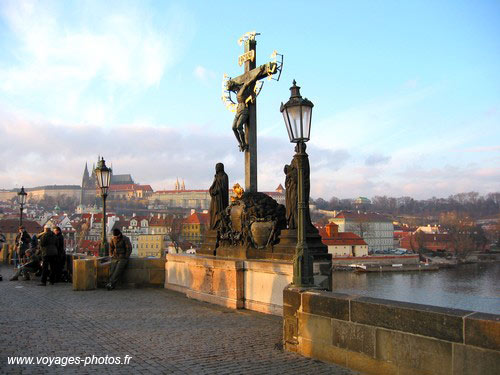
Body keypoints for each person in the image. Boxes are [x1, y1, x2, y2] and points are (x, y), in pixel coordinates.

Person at [227, 65, 266, 152]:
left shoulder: (243, 88)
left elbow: (251, 80)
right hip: (238, 111)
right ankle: (241, 143)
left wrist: (259, 72)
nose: (233, 90)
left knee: (239, 126)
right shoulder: (237, 92)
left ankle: (244, 143)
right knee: (233, 127)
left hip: (244, 110)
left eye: (232, 88)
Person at [209, 163, 229, 230]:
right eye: (216, 167)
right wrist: (212, 191)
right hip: (215, 199)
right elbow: (213, 186)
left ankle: (219, 226)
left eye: (217, 167)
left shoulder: (224, 176)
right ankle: (213, 226)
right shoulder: (216, 176)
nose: (216, 169)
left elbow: (224, 188)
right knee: (212, 212)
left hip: (221, 200)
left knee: (218, 213)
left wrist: (217, 191)